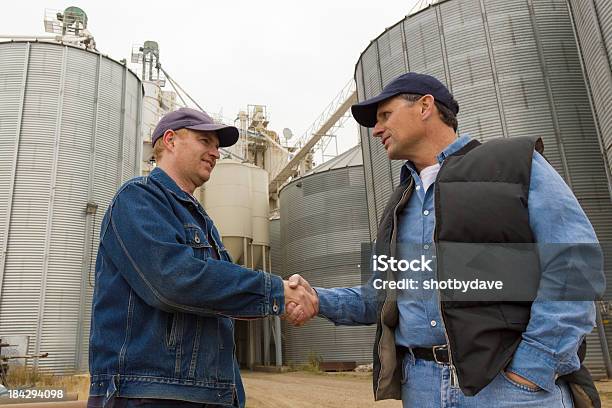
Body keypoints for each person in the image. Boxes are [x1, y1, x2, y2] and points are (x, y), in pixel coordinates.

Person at [285, 72, 604, 407]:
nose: (376, 129)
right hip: (421, 387)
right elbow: (380, 298)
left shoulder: (513, 164)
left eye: (385, 115)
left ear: (425, 106)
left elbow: (575, 264)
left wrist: (531, 369)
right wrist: (317, 299)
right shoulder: (398, 205)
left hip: (505, 388)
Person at [88, 107, 319, 408]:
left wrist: (282, 303)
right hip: (149, 393)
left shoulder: (203, 223)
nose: (216, 152)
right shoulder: (137, 198)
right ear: (170, 140)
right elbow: (173, 280)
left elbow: (217, 297)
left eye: (217, 146)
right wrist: (277, 291)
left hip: (205, 392)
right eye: (205, 141)